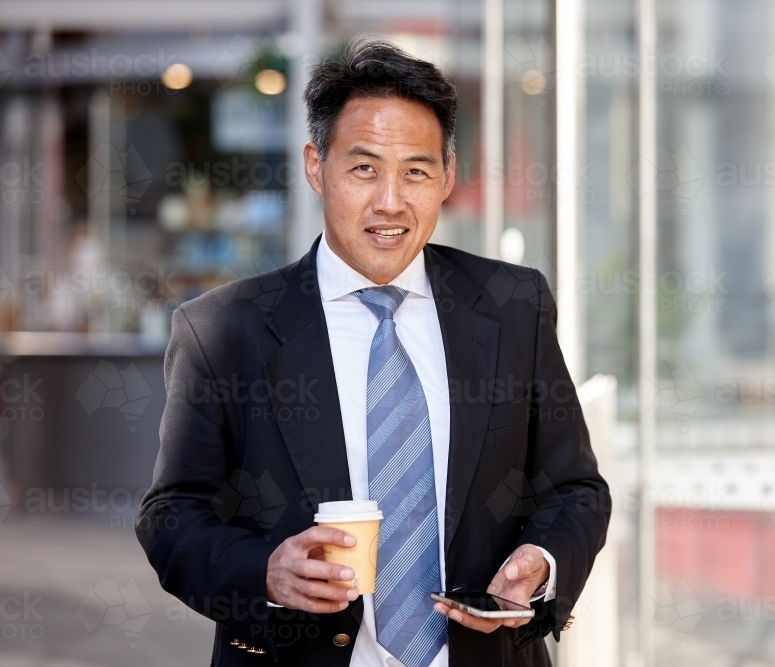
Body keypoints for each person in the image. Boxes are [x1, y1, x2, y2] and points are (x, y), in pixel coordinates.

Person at [136, 37, 609, 667]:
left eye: (415, 170)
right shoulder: (224, 331)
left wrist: (543, 562)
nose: (390, 201)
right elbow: (172, 515)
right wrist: (265, 574)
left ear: (447, 176)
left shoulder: (511, 305)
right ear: (315, 167)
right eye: (363, 168)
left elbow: (576, 488)